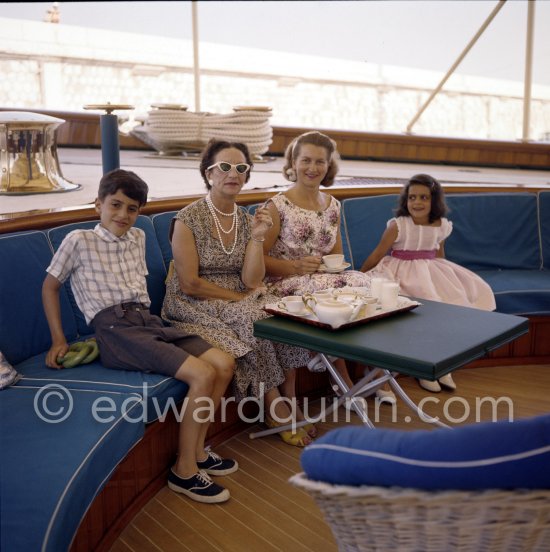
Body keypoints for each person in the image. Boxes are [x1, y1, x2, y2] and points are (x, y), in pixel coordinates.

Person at [42, 169, 237, 505]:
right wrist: (59, 340)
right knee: (202, 374)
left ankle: (198, 452)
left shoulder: (138, 238)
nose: (123, 215)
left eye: (132, 209)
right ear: (97, 204)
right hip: (114, 329)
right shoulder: (79, 240)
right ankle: (184, 471)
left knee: (224, 362)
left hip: (147, 321)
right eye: (115, 205)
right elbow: (50, 286)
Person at [161, 139, 316, 448]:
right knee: (252, 317)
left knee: (285, 313)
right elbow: (190, 282)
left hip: (237, 295)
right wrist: (239, 299)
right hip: (193, 301)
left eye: (241, 168)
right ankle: (274, 404)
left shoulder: (247, 220)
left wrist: (258, 239)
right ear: (208, 174)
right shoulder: (188, 219)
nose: (233, 174)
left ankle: (290, 397)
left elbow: (251, 279)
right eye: (225, 167)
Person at [261, 131, 395, 405]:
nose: (313, 168)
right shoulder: (277, 206)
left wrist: (331, 267)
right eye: (306, 160)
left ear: (328, 165)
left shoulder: (333, 205)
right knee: (325, 293)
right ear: (293, 163)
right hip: (284, 282)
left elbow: (337, 258)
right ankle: (341, 377)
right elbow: (258, 261)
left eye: (320, 162)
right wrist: (295, 265)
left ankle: (374, 365)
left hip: (322, 280)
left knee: (365, 282)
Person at [361, 173, 496, 392]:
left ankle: (438, 364)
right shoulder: (398, 225)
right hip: (398, 273)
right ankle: (416, 367)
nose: (417, 202)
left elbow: (439, 254)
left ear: (434, 201)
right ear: (406, 200)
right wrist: (359, 275)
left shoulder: (441, 225)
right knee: (414, 309)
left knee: (446, 307)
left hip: (429, 270)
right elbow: (377, 254)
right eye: (412, 197)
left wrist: (446, 279)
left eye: (424, 197)